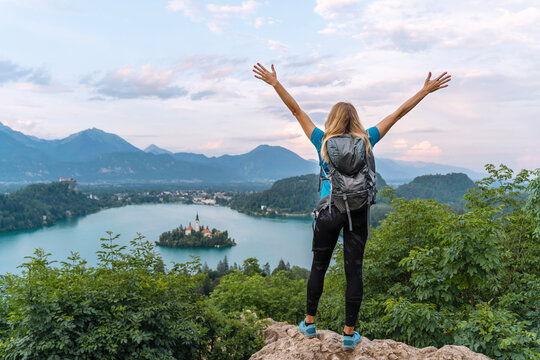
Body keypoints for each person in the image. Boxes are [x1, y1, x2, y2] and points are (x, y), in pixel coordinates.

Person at [253, 63, 451, 350]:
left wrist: (274, 83)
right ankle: (349, 333)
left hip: (329, 211)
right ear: (355, 119)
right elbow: (397, 114)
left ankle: (309, 324)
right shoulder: (367, 139)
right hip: (357, 212)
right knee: (354, 270)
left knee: (319, 267)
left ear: (332, 119)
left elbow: (296, 111)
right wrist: (424, 91)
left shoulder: (322, 140)